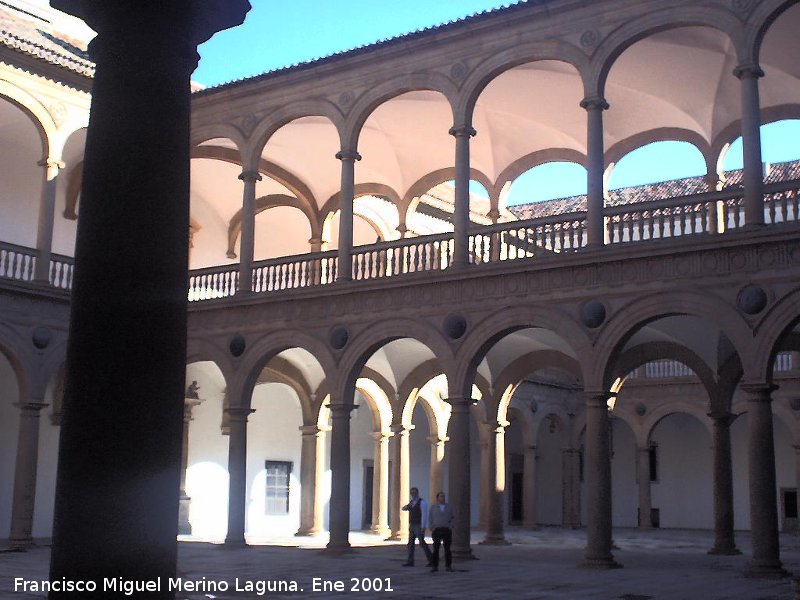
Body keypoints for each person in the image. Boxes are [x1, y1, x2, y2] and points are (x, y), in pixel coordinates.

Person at [401, 487, 432, 566]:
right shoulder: (411, 503)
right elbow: (403, 508)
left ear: (417, 493)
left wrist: (423, 526)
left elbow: (424, 515)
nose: (413, 494)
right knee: (410, 543)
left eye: (414, 493)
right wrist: (408, 506)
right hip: (412, 525)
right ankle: (410, 561)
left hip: (418, 525)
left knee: (422, 543)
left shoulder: (422, 502)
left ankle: (431, 559)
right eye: (412, 493)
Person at [428, 491, 454, 572]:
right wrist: (432, 527)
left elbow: (453, 517)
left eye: (443, 496)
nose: (442, 498)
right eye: (441, 496)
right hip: (437, 529)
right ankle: (434, 566)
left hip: (446, 529)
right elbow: (430, 518)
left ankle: (448, 566)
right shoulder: (433, 507)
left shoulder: (449, 507)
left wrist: (451, 526)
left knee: (447, 549)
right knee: (436, 549)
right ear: (437, 498)